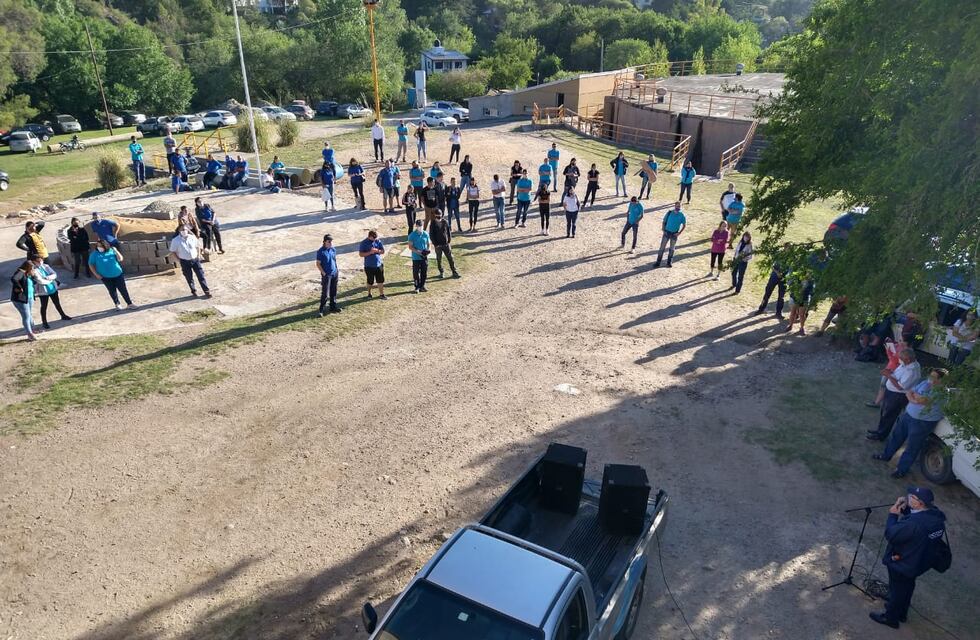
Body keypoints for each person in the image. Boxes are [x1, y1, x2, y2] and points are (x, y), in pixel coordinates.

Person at [869, 488, 946, 629]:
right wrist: (905, 509)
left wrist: (893, 515)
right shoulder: (936, 517)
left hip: (904, 563)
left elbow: (892, 534)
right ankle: (902, 613)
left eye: (912, 497)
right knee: (907, 586)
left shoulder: (913, 524)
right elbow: (919, 523)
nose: (908, 497)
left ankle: (891, 618)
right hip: (920, 562)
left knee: (897, 589)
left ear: (920, 503)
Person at [875, 368, 948, 478]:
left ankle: (901, 470)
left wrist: (915, 398)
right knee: (896, 436)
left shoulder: (941, 392)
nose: (930, 378)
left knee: (912, 447)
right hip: (908, 415)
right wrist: (914, 399)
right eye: (930, 375)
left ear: (941, 381)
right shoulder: (925, 383)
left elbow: (923, 400)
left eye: (934, 377)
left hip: (922, 423)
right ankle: (886, 455)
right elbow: (909, 393)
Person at [867, 348, 921, 441]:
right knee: (884, 412)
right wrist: (890, 372)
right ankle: (880, 430)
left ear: (908, 359)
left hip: (897, 396)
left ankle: (881, 435)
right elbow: (897, 375)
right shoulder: (906, 364)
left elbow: (900, 387)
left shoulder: (912, 372)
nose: (900, 360)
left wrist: (888, 375)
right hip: (891, 392)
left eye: (901, 359)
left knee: (889, 415)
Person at [88, 239, 134, 310]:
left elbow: (120, 259)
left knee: (123, 290)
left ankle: (129, 304)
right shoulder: (94, 254)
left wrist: (116, 251)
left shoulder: (111, 251)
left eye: (101, 246)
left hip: (118, 274)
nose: (99, 247)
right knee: (112, 291)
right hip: (105, 276)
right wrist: (96, 274)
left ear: (105, 246)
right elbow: (91, 264)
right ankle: (117, 304)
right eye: (98, 246)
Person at [29, 254, 71, 329]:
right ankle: (44, 322)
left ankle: (63, 315)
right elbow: (40, 281)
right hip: (43, 290)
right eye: (39, 260)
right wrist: (50, 280)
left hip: (52, 288)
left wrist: (48, 277)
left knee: (57, 303)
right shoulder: (34, 270)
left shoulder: (46, 266)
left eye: (41, 260)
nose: (41, 261)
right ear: (34, 261)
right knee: (44, 306)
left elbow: (54, 274)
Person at [168, 226, 211, 298]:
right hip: (185, 261)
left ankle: (206, 291)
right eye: (182, 230)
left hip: (195, 260)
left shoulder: (192, 237)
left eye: (185, 229)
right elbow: (173, 251)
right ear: (179, 231)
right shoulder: (175, 240)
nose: (184, 231)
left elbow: (198, 246)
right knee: (189, 277)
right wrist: (178, 260)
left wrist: (199, 255)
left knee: (201, 276)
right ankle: (193, 290)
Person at [10, 260, 38, 340]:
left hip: (29, 297)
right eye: (32, 268)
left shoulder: (28, 274)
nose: (33, 269)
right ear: (27, 267)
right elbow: (14, 279)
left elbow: (33, 282)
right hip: (20, 299)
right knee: (26, 316)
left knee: (29, 314)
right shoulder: (21, 273)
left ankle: (33, 330)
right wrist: (19, 287)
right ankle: (30, 334)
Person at [755, 254, 789, 319]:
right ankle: (761, 309)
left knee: (781, 297)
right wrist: (777, 273)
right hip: (774, 277)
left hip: (783, 279)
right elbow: (772, 265)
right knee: (767, 293)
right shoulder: (779, 255)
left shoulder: (791, 258)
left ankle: (778, 313)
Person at [429, 211, 460, 279]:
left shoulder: (445, 222)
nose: (438, 217)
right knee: (439, 259)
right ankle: (441, 272)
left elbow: (448, 232)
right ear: (435, 216)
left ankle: (454, 272)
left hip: (446, 244)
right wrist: (435, 244)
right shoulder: (432, 224)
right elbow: (431, 235)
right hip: (438, 246)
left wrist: (449, 241)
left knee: (450, 258)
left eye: (439, 216)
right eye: (437, 216)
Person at [654, 202, 686, 267]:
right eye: (677, 206)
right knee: (662, 248)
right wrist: (663, 229)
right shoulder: (669, 213)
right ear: (675, 206)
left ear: (680, 207)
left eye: (679, 206)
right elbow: (664, 221)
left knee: (672, 249)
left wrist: (679, 233)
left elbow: (684, 225)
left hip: (674, 234)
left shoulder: (682, 215)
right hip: (666, 232)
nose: (678, 207)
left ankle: (669, 262)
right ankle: (658, 262)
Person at [315, 234, 341, 316]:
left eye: (331, 241)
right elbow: (318, 264)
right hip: (327, 275)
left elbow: (334, 260)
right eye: (329, 241)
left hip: (334, 273)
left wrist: (336, 270)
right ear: (324, 242)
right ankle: (321, 310)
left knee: (334, 291)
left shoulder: (333, 249)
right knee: (325, 293)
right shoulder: (321, 251)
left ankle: (333, 307)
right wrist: (323, 273)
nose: (330, 243)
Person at [358, 229, 387, 299]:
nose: (375, 239)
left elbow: (383, 251)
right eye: (373, 238)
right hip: (369, 266)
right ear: (369, 236)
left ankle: (381, 294)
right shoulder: (363, 243)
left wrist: (377, 250)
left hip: (379, 265)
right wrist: (370, 252)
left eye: (376, 237)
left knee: (380, 280)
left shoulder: (377, 241)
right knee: (370, 281)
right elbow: (361, 254)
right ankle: (369, 294)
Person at [407, 219, 430, 293]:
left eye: (421, 226)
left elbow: (428, 243)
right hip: (416, 257)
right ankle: (417, 287)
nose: (420, 227)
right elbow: (410, 246)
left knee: (424, 272)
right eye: (419, 226)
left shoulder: (425, 234)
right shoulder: (412, 235)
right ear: (416, 226)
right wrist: (418, 252)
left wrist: (428, 250)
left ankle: (422, 286)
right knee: (416, 273)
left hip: (424, 257)